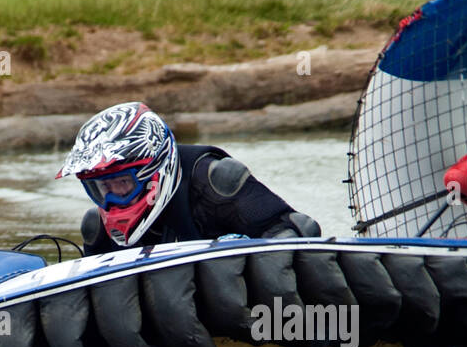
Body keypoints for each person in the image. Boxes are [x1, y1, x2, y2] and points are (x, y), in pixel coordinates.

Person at [57, 101, 321, 254]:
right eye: (103, 186)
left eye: (123, 183)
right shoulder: (99, 227)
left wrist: (243, 254)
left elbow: (300, 230)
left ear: (153, 173)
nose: (113, 198)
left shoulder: (216, 181)